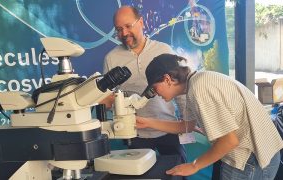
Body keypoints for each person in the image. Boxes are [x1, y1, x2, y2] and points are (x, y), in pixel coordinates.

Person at [136, 53, 283, 179]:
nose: (156, 94)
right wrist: (148, 122)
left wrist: (194, 166)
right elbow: (186, 126)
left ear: (167, 79)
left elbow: (229, 141)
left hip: (249, 161)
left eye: (155, 88)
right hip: (257, 155)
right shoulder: (196, 82)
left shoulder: (200, 89)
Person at [102, 6, 187, 166]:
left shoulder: (163, 50)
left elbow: (180, 91)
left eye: (128, 26)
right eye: (119, 29)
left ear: (141, 22)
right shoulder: (111, 59)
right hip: (135, 133)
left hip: (167, 128)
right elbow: (106, 99)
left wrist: (185, 121)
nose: (124, 33)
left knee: (178, 172)